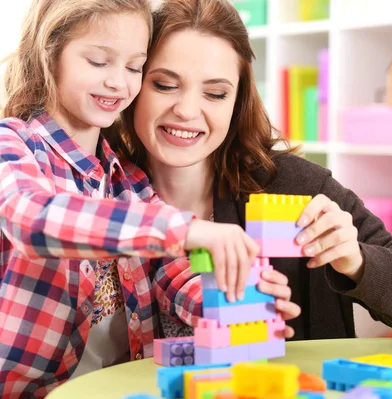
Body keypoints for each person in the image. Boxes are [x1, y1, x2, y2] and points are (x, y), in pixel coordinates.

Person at [115, 0, 392, 341]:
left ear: (237, 102)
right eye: (164, 85)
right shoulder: (100, 193)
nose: (187, 110)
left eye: (216, 93)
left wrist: (356, 260)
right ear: (133, 85)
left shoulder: (294, 187)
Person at [0, 0, 259, 396]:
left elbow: (173, 274)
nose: (118, 83)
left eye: (134, 67)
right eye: (99, 61)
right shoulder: (12, 145)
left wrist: (238, 305)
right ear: (50, 54)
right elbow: (31, 220)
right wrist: (189, 229)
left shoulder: (130, 182)